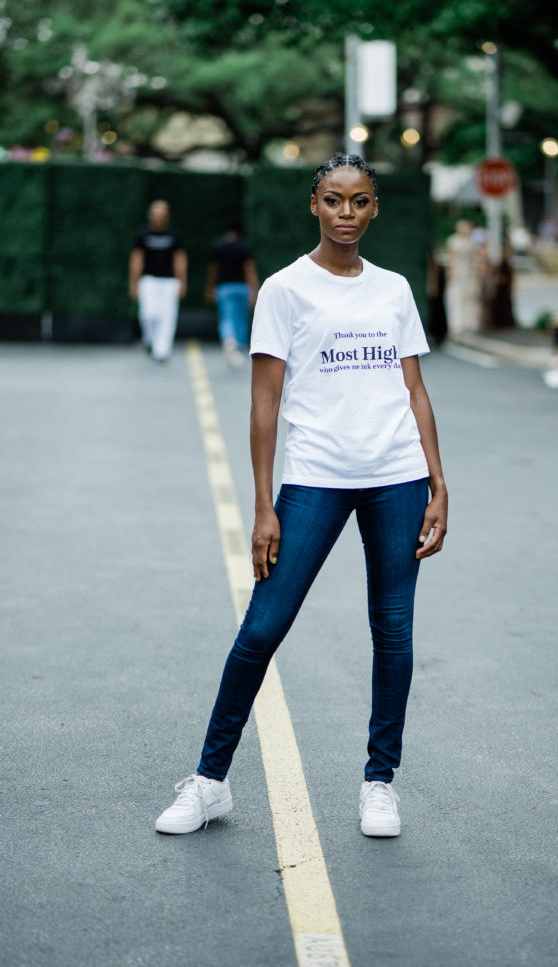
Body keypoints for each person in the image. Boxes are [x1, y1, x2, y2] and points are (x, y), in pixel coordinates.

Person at [155, 153, 448, 838]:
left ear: (375, 208)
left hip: (396, 476)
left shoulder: (394, 289)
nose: (346, 213)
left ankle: (380, 782)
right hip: (314, 476)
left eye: (359, 202)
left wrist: (437, 481)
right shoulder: (285, 289)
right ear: (313, 205)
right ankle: (208, 782)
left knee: (393, 632)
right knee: (262, 627)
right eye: (334, 201)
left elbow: (413, 390)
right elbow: (264, 405)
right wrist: (263, 504)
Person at [129, 200, 187, 362]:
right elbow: (136, 259)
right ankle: (149, 340)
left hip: (169, 281)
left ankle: (162, 351)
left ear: (167, 216)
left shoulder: (174, 236)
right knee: (148, 314)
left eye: (161, 215)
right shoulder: (143, 235)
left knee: (167, 316)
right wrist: (134, 283)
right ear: (150, 216)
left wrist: (182, 281)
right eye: (155, 215)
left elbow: (180, 259)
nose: (158, 218)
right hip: (148, 281)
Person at [206, 222, 259, 367]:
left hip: (224, 287)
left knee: (227, 316)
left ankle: (229, 339)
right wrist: (253, 290)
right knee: (241, 317)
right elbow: (249, 269)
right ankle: (240, 345)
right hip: (242, 287)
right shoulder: (244, 247)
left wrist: (211, 286)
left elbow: (213, 269)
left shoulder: (219, 246)